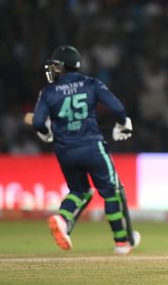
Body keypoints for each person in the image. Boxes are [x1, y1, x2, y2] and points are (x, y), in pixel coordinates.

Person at [31, 45, 140, 254]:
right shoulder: (91, 84)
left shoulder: (48, 91)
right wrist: (122, 123)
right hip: (92, 147)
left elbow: (37, 122)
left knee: (79, 191)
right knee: (111, 192)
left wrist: (46, 133)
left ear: (64, 66)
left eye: (55, 66)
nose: (52, 69)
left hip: (65, 151)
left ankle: (62, 219)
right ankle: (121, 242)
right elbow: (117, 108)